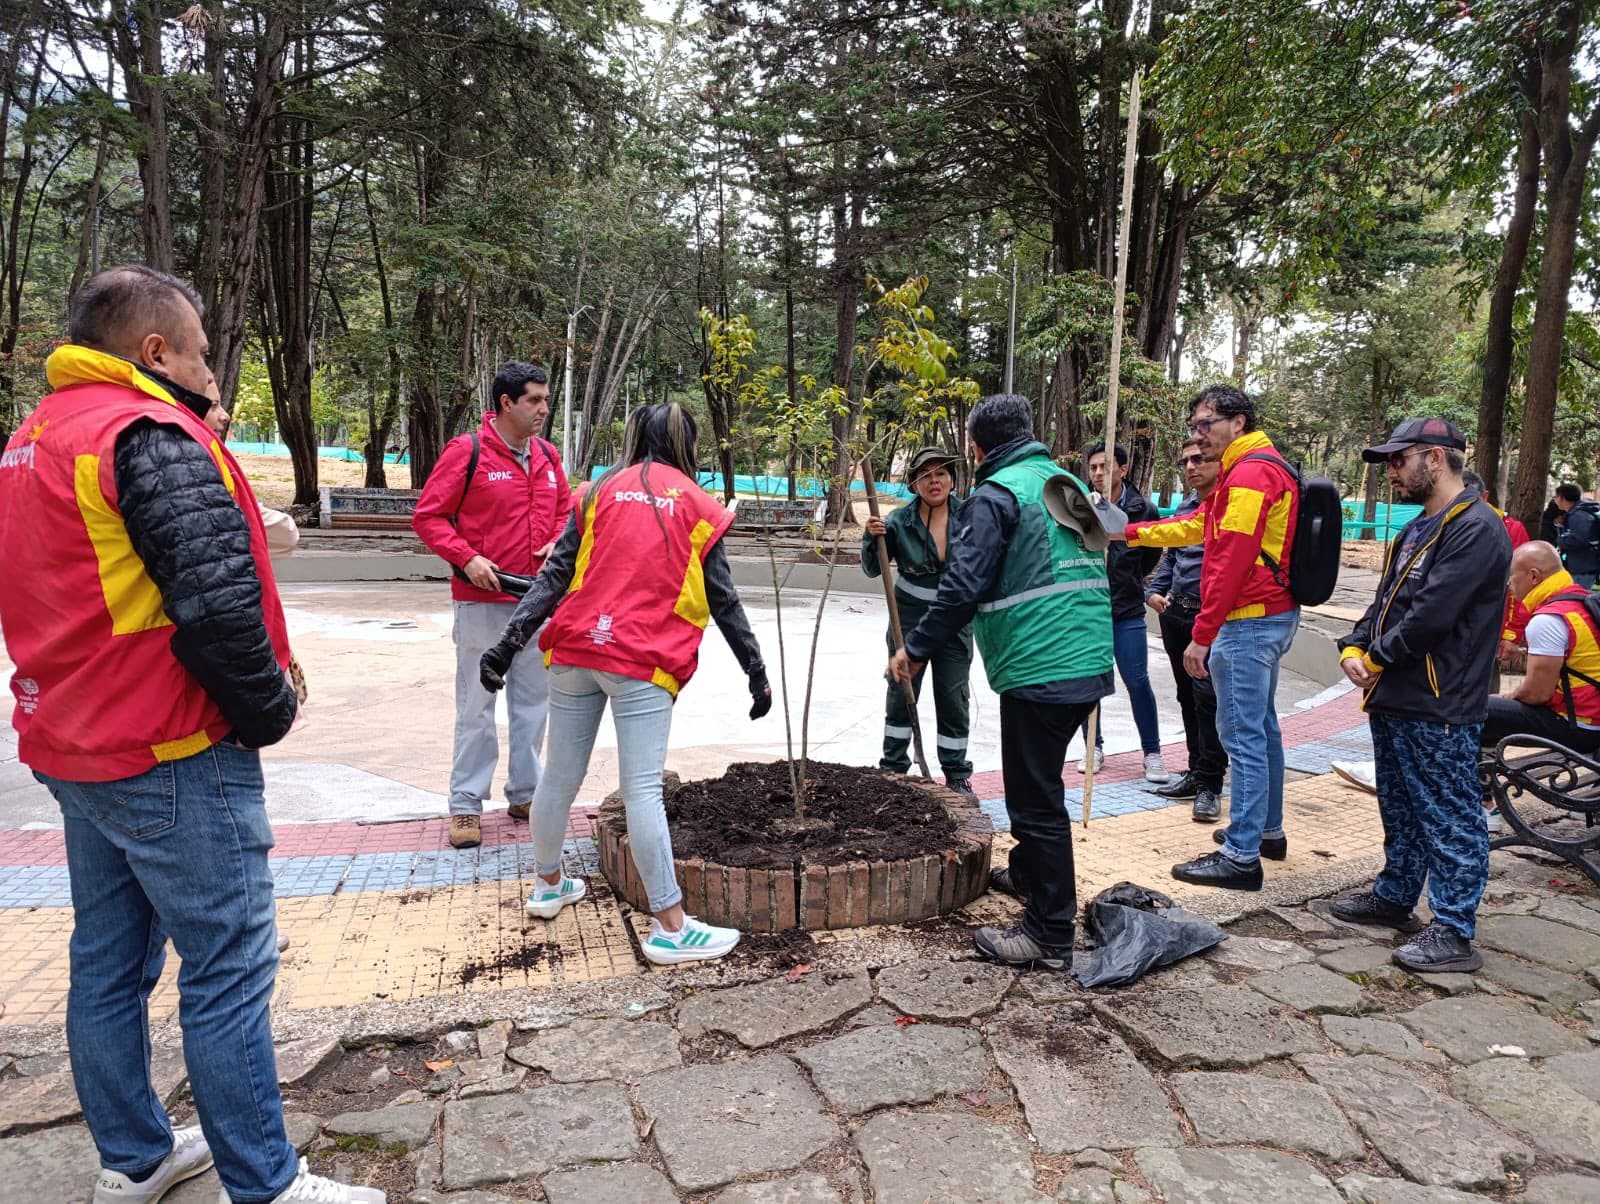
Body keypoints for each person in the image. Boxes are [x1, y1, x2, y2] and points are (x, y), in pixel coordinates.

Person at [0, 265, 381, 1203]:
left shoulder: (33, 438)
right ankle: (266, 1182)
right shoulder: (149, 433)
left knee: (108, 962)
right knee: (228, 966)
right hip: (169, 747)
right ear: (155, 350)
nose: (214, 374)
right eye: (204, 354)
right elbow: (215, 609)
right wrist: (269, 713)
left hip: (74, 740)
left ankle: (132, 1162)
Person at [479, 403, 770, 965]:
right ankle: (671, 927)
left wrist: (508, 644)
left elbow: (555, 574)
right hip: (641, 660)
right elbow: (723, 599)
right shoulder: (700, 506)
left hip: (575, 648)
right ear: (689, 443)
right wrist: (755, 672)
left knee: (558, 778)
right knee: (642, 790)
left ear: (636, 436)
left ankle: (548, 885)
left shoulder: (596, 492)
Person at [888, 394, 1114, 969]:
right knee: (1042, 788)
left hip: (1041, 664)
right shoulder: (1060, 481)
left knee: (1035, 801)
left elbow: (962, 586)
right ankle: (1035, 877)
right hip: (1087, 655)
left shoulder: (996, 496)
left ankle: (1049, 932)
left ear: (977, 446)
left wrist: (914, 650)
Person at [1330, 417, 1510, 974]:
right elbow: (1385, 601)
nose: (1391, 472)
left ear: (1435, 458)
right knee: (1401, 806)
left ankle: (1454, 929)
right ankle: (1395, 896)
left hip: (1440, 699)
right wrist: (1353, 646)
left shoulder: (1477, 527)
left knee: (1450, 814)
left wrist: (1377, 655)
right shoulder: (1417, 528)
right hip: (1397, 694)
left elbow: (1432, 615)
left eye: (1398, 460)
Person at [1120, 385, 1300, 891]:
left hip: (1249, 619)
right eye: (1194, 426)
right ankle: (1267, 831)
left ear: (1237, 422)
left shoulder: (1251, 472)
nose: (1198, 435)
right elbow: (1199, 526)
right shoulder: (1256, 468)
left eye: (1206, 424)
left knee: (1241, 736)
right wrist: (1128, 534)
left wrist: (1204, 633)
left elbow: (1230, 558)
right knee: (1262, 729)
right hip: (1270, 614)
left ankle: (1241, 857)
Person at [413, 362, 572, 848]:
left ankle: (526, 794)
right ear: (506, 403)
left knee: (533, 704)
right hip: (481, 602)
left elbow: (567, 511)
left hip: (535, 604)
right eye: (534, 401)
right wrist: (468, 557)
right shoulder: (469, 451)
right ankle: (465, 805)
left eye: (546, 400)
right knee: (477, 706)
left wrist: (557, 540)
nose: (544, 409)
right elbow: (429, 517)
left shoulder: (547, 456)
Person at [862, 446, 974, 794]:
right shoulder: (897, 522)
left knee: (953, 696)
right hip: (908, 620)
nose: (934, 481)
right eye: (925, 475)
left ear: (952, 479)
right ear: (914, 483)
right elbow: (871, 569)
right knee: (901, 691)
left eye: (940, 473)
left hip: (955, 621)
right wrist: (871, 538)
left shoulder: (970, 516)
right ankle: (893, 769)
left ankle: (956, 775)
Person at [1145, 437, 1228, 821]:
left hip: (1211, 621)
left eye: (1199, 459)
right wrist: (1156, 590)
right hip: (1176, 614)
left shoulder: (1230, 507)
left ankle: (1211, 784)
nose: (1192, 467)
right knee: (1185, 696)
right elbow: (1172, 558)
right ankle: (1195, 771)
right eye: (1186, 461)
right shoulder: (1186, 507)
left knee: (1208, 699)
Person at [1080, 440, 1168, 782]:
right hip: (1088, 610)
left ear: (1123, 469)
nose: (1099, 473)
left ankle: (1153, 753)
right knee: (1089, 683)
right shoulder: (1082, 506)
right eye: (1093, 468)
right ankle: (1093, 746)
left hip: (1126, 610)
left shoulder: (1142, 508)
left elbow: (1151, 555)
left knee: (1137, 680)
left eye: (1105, 466)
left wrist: (1132, 583)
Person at [1553, 482, 1600, 588]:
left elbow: (1579, 539)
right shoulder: (1578, 512)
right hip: (1583, 566)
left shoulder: (1578, 515)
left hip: (1583, 569)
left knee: (1579, 598)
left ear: (1561, 497)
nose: (1555, 500)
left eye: (1556, 497)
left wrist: (1561, 540)